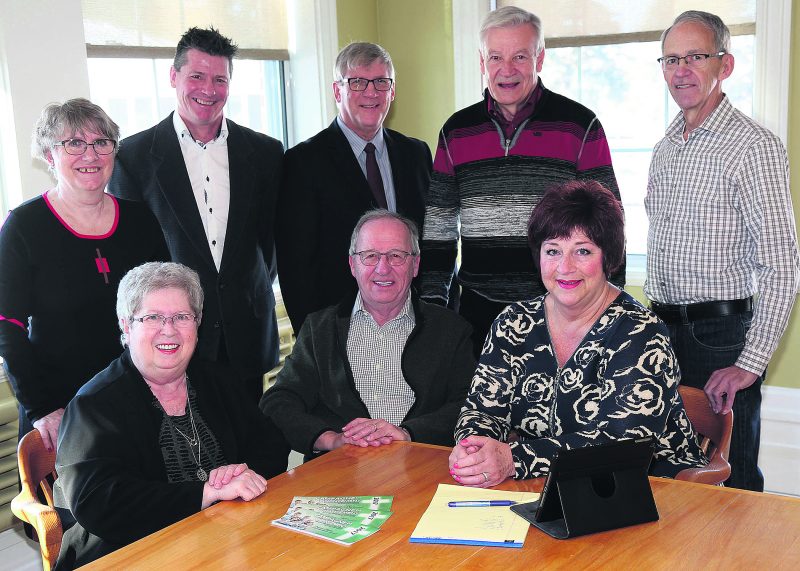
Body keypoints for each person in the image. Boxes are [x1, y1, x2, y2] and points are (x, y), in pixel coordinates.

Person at [448, 181, 706, 487]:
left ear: (608, 257)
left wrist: (513, 459)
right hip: (548, 488)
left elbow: (620, 446)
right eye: (553, 250)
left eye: (582, 250)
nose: (565, 267)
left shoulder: (641, 333)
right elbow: (482, 410)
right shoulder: (514, 323)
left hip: (655, 489)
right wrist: (475, 448)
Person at [645, 11, 799, 492]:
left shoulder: (755, 146)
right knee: (666, 472)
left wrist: (750, 363)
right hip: (660, 331)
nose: (681, 70)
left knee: (732, 479)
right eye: (671, 59)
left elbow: (782, 264)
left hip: (720, 337)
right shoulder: (666, 147)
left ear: (725, 65)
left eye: (695, 56)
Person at [54, 262, 289, 569]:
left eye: (182, 317)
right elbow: (102, 505)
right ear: (126, 325)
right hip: (127, 555)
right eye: (152, 317)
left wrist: (241, 472)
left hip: (226, 542)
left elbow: (271, 444)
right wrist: (207, 492)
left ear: (198, 322)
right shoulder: (93, 406)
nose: (169, 329)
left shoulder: (218, 380)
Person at [419, 6, 624, 356]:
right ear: (482, 61)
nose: (507, 69)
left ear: (540, 59)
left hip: (561, 308)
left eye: (520, 56)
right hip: (477, 313)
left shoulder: (580, 125)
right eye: (495, 57)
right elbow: (439, 227)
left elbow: (608, 223)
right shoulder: (456, 131)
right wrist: (432, 306)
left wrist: (608, 308)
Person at [108, 26, 283, 403]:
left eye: (220, 79)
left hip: (246, 335)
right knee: (184, 456)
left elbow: (269, 242)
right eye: (197, 76)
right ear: (173, 77)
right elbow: (133, 261)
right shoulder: (133, 158)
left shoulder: (266, 153)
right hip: (171, 340)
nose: (209, 89)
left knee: (252, 453)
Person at [0, 98, 168, 452]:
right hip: (59, 410)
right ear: (49, 156)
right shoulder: (24, 226)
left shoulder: (141, 221)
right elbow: (7, 324)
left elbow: (166, 309)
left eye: (102, 142)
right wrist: (42, 408)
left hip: (140, 398)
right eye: (74, 143)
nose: (90, 155)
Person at [262, 210, 475, 461]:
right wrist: (332, 439)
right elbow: (278, 402)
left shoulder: (451, 330)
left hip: (422, 466)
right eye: (370, 256)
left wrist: (407, 434)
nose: (382, 269)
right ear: (353, 264)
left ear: (415, 264)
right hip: (340, 474)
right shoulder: (320, 329)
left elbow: (469, 405)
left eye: (396, 256)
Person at [276, 42, 431, 334]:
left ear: (392, 91)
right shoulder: (303, 163)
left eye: (381, 82)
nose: (370, 92)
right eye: (357, 82)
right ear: (338, 91)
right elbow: (296, 266)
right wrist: (315, 341)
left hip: (414, 326)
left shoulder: (416, 154)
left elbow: (430, 243)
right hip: (340, 329)